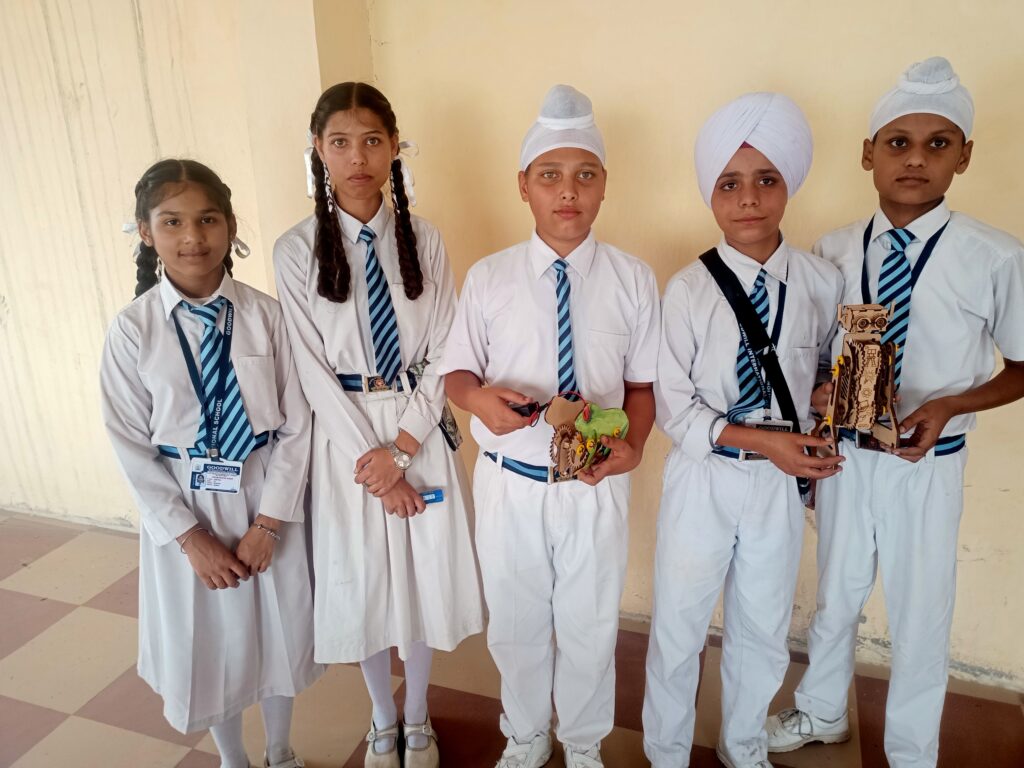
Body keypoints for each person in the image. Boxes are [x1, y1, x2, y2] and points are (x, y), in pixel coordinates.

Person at [766, 57, 1024, 768]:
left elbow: (1022, 368)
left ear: (963, 156)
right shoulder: (832, 251)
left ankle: (912, 751)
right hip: (848, 458)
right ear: (868, 154)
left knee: (920, 611)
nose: (915, 159)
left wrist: (950, 404)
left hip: (927, 465)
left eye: (938, 144)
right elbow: (813, 355)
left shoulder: (995, 257)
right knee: (836, 594)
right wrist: (822, 392)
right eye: (898, 142)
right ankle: (822, 711)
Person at [440, 84, 660, 768]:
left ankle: (584, 741)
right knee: (516, 621)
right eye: (550, 175)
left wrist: (634, 447)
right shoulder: (489, 278)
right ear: (523, 187)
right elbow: (456, 374)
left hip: (593, 483)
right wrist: (478, 401)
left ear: (604, 186)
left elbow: (641, 387)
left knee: (591, 622)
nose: (569, 191)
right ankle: (527, 733)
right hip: (511, 482)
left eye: (585, 175)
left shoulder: (632, 279)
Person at [273, 82, 483, 768]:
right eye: (340, 142)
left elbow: (447, 348)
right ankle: (382, 717)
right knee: (361, 581)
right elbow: (311, 369)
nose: (357, 157)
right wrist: (375, 461)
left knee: (422, 582)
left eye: (371, 141)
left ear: (394, 147)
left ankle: (418, 715)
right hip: (347, 441)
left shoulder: (426, 239)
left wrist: (404, 449)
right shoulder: (295, 250)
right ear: (318, 149)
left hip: (417, 428)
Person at [641, 93, 843, 768]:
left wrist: (825, 399)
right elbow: (675, 406)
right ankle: (667, 752)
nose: (748, 198)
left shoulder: (821, 282)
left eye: (766, 179)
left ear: (788, 185)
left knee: (763, 626)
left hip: (778, 486)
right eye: (729, 183)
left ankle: (745, 746)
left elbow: (827, 371)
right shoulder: (687, 289)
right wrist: (762, 441)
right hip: (706, 476)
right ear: (710, 193)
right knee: (679, 625)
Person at [100, 158, 320, 768]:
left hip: (263, 490)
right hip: (185, 502)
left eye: (207, 219)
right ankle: (233, 759)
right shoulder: (134, 330)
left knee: (277, 629)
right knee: (209, 640)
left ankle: (281, 751)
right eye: (172, 222)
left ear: (230, 227)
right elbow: (129, 444)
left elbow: (298, 424)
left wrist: (270, 523)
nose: (192, 237)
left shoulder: (267, 316)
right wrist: (189, 538)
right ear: (147, 232)